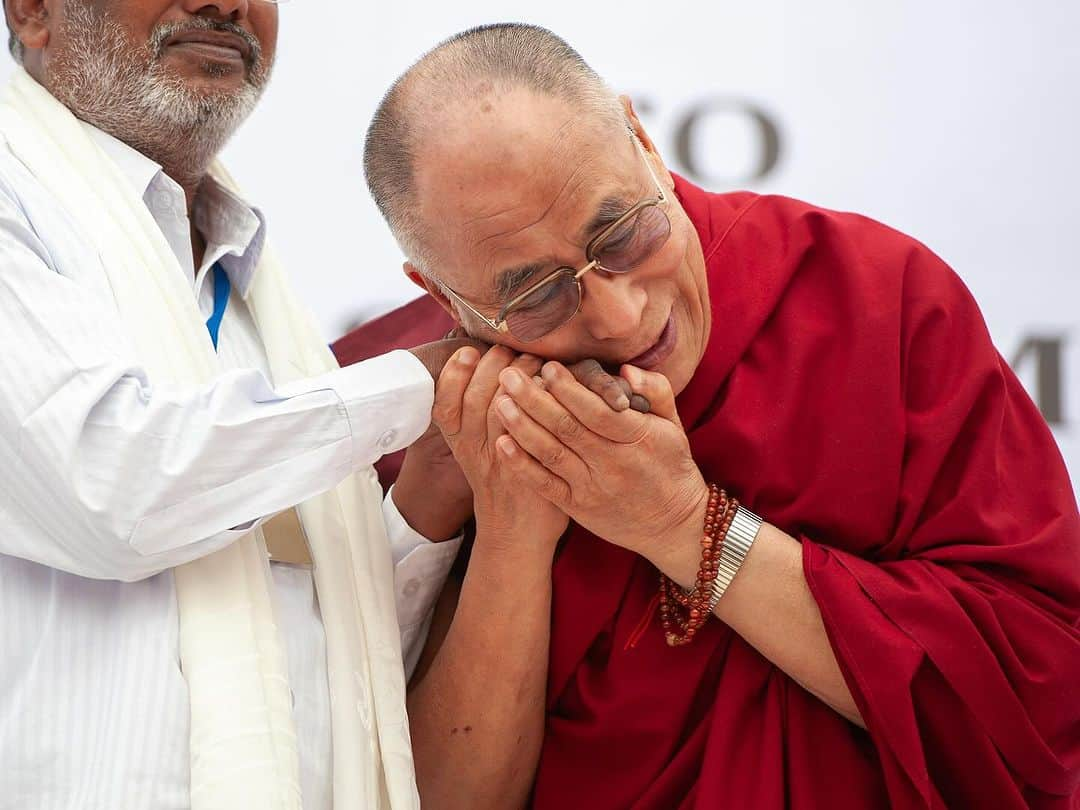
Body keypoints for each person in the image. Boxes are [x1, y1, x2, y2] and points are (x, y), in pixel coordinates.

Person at [345, 23, 1080, 810]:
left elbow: (1037, 693)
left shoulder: (874, 298)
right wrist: (512, 527)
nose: (623, 317)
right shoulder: (395, 420)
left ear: (642, 140)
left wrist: (682, 523)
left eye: (622, 235)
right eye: (535, 297)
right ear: (442, 296)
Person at [0, 2, 479, 808]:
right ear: (35, 10)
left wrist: (430, 498)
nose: (225, 4)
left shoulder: (249, 274)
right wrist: (423, 383)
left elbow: (332, 664)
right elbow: (116, 489)